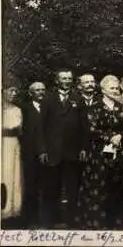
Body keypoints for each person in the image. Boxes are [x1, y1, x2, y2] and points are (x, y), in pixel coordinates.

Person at [74, 75, 123, 230]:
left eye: (116, 88)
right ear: (103, 90)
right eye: (111, 88)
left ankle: (117, 220)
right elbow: (92, 129)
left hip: (119, 154)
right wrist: (110, 138)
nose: (115, 91)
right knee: (99, 187)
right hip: (99, 154)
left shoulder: (121, 108)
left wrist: (120, 135)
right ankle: (99, 222)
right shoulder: (94, 107)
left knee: (117, 186)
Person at [39, 68, 89, 228]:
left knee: (72, 189)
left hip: (72, 152)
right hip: (52, 152)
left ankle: (72, 221)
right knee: (50, 188)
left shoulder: (78, 98)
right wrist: (42, 150)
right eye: (64, 78)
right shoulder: (48, 98)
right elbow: (40, 127)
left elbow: (84, 126)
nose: (67, 81)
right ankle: (48, 221)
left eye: (69, 78)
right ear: (57, 80)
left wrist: (83, 148)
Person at [20, 81, 46, 228]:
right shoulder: (24, 109)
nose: (41, 92)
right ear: (31, 93)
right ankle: (30, 219)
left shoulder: (49, 108)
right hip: (30, 153)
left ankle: (45, 219)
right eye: (37, 90)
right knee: (31, 187)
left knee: (46, 187)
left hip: (47, 154)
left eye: (43, 90)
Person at [1, 82, 23, 223]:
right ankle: (4, 208)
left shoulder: (17, 110)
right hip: (1, 143)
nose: (13, 94)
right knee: (4, 174)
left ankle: (14, 208)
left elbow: (20, 130)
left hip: (14, 143)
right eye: (11, 91)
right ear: (3, 92)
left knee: (15, 174)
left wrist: (12, 131)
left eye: (15, 91)